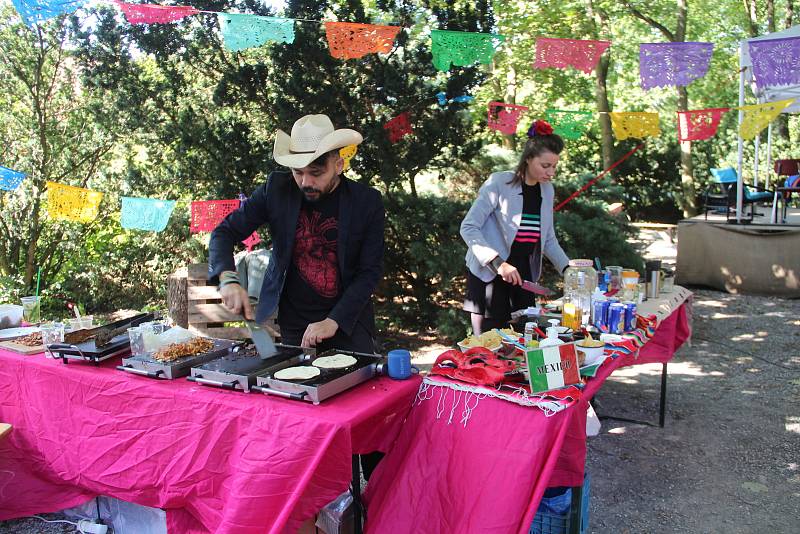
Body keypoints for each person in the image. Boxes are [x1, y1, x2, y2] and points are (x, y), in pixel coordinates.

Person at [208, 113, 385, 354]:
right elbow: (224, 232)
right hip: (294, 324)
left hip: (348, 323)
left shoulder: (367, 202)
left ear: (338, 165)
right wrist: (227, 278)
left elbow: (369, 272)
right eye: (298, 172)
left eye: (316, 173)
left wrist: (333, 321)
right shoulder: (277, 189)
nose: (305, 182)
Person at [460, 119, 570, 335]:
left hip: (523, 274)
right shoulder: (499, 183)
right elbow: (469, 227)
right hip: (490, 272)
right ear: (528, 159)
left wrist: (569, 271)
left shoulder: (547, 191)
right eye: (545, 166)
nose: (551, 173)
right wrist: (498, 263)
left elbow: (547, 240)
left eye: (554, 166)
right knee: (490, 347)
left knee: (524, 340)